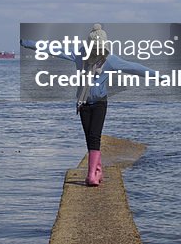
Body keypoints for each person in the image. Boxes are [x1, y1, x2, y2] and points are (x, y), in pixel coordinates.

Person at [20, 24, 157, 187]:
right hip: (83, 103)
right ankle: (97, 171)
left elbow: (133, 68)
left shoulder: (109, 59)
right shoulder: (79, 53)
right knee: (89, 139)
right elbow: (52, 49)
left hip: (100, 103)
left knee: (94, 136)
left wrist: (158, 76)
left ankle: (91, 175)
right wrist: (26, 42)